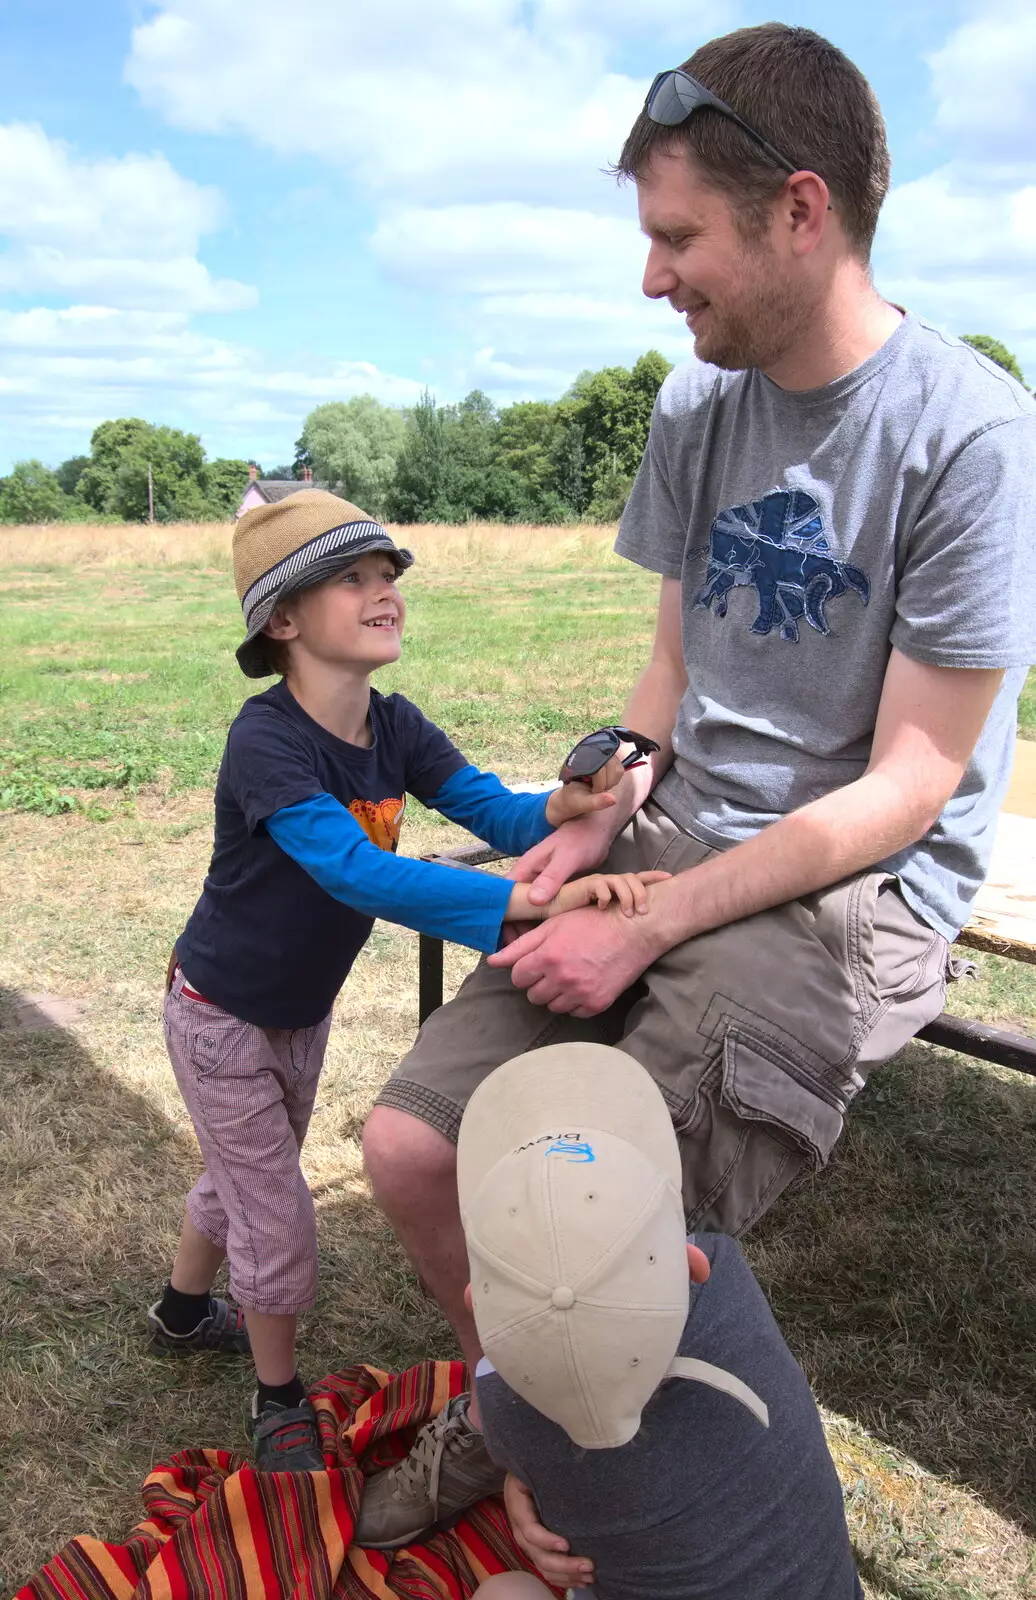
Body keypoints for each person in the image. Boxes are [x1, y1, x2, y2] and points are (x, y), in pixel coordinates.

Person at [357, 21, 1036, 1545]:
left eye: (677, 237)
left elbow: (913, 786)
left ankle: (593, 1479)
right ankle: (531, 1423)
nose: (651, 279)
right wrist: (598, 791)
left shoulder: (972, 437)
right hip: (668, 842)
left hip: (853, 888)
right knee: (412, 1149)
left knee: (596, 1212)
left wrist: (649, 924)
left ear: (803, 211)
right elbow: (668, 677)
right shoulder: (695, 405)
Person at [146, 488, 664, 1472]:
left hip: (296, 1011)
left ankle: (179, 1312)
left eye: (388, 574)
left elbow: (492, 811)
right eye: (352, 577)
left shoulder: (396, 726)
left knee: (243, 1169)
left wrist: (567, 801)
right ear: (283, 619)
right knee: (276, 1207)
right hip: (218, 1011)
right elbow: (357, 871)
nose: (384, 590)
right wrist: (536, 905)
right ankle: (277, 1397)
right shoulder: (267, 742)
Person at [461, 1042, 862, 1599]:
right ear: (690, 1259)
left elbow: (552, 1482)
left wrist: (514, 1481)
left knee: (505, 1593)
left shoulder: (505, 1408)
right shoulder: (724, 1277)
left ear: (474, 1301)